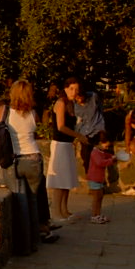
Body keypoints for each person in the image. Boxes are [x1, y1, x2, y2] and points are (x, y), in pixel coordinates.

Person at [0, 79, 56, 249]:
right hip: (34, 159)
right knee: (33, 202)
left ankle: (24, 245)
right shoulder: (33, 113)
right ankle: (35, 239)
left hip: (14, 160)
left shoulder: (4, 111)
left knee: (20, 202)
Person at [46, 81, 89, 223]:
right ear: (65, 89)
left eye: (76, 89)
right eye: (71, 89)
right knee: (60, 181)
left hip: (68, 144)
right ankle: (56, 212)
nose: (74, 92)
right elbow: (61, 126)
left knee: (66, 180)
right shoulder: (61, 103)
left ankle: (64, 210)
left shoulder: (71, 104)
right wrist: (78, 136)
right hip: (60, 144)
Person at [68, 77, 105, 172]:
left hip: (96, 127)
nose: (79, 100)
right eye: (77, 98)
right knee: (85, 153)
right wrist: (76, 135)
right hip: (84, 131)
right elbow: (78, 120)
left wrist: (101, 120)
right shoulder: (74, 104)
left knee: (97, 151)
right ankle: (88, 172)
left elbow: (100, 107)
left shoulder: (93, 97)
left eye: (80, 97)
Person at [86, 130, 116, 224]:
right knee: (96, 198)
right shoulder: (95, 152)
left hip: (98, 179)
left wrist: (112, 157)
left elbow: (106, 155)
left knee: (100, 197)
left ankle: (97, 214)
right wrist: (111, 160)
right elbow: (100, 163)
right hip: (94, 179)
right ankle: (94, 215)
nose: (107, 148)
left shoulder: (100, 151)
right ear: (100, 143)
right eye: (106, 146)